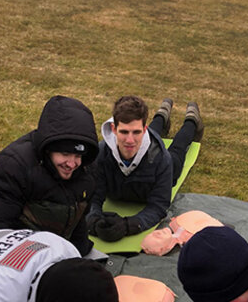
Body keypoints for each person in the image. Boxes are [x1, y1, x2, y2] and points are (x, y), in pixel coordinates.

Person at [0, 95, 99, 256]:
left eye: (78, 156)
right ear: (48, 148)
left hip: (55, 249)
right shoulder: (14, 165)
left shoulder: (87, 169)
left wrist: (80, 254)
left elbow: (78, 219)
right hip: (13, 253)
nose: (72, 164)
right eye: (65, 153)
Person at [86, 95, 204, 242]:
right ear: (114, 129)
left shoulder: (162, 159)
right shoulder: (101, 153)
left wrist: (129, 226)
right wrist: (94, 221)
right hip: (144, 145)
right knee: (140, 139)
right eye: (124, 132)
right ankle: (162, 115)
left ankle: (191, 120)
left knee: (178, 149)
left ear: (144, 130)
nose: (129, 140)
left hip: (160, 157)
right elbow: (93, 197)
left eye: (136, 132)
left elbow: (158, 206)